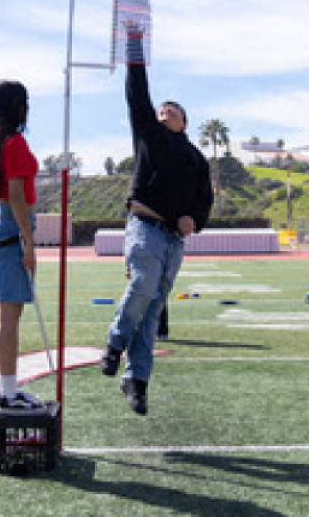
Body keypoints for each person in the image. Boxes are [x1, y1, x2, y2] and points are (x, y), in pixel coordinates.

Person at [100, 21, 213, 415]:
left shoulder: (197, 158)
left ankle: (137, 380)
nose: (165, 111)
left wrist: (194, 221)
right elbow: (137, 90)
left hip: (173, 240)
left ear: (185, 122)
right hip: (144, 228)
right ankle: (115, 343)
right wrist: (134, 43)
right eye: (162, 109)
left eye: (173, 110)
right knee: (144, 284)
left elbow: (204, 199)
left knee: (152, 309)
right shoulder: (148, 132)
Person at [0, 80, 44, 414]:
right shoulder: (15, 142)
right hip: (9, 228)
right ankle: (8, 392)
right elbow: (16, 195)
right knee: (10, 315)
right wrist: (29, 243)